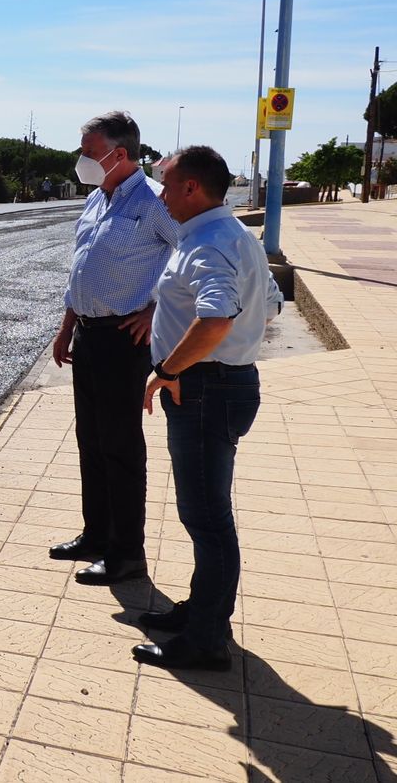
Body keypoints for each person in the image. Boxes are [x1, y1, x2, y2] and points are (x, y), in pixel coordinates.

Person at [135, 145, 281, 671]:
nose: (162, 197)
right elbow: (271, 303)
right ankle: (203, 612)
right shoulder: (233, 235)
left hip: (203, 390)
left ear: (192, 188)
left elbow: (216, 318)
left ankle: (205, 640)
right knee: (206, 513)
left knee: (206, 518)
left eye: (167, 186)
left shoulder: (208, 243)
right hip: (224, 384)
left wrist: (169, 370)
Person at [49, 112, 181, 585]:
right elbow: (80, 271)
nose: (81, 158)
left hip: (124, 340)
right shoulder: (96, 199)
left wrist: (156, 309)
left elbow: (189, 257)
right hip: (88, 334)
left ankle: (126, 554)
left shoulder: (154, 202)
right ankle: (96, 535)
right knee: (91, 441)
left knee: (120, 446)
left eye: (89, 151)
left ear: (119, 154)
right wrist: (66, 328)